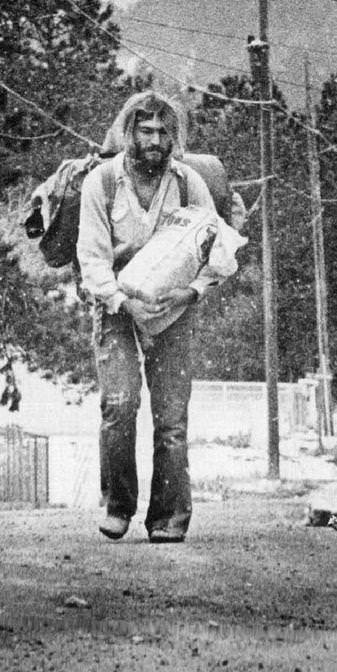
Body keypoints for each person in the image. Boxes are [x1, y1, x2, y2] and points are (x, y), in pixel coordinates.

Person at [77, 90, 222, 544]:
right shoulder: (101, 183)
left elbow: (216, 249)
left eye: (163, 131)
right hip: (118, 306)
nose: (155, 140)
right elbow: (92, 259)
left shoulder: (187, 183)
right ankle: (117, 506)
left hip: (173, 310)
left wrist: (189, 291)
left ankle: (169, 517)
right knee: (119, 404)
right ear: (128, 134)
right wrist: (123, 300)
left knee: (171, 418)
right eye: (146, 130)